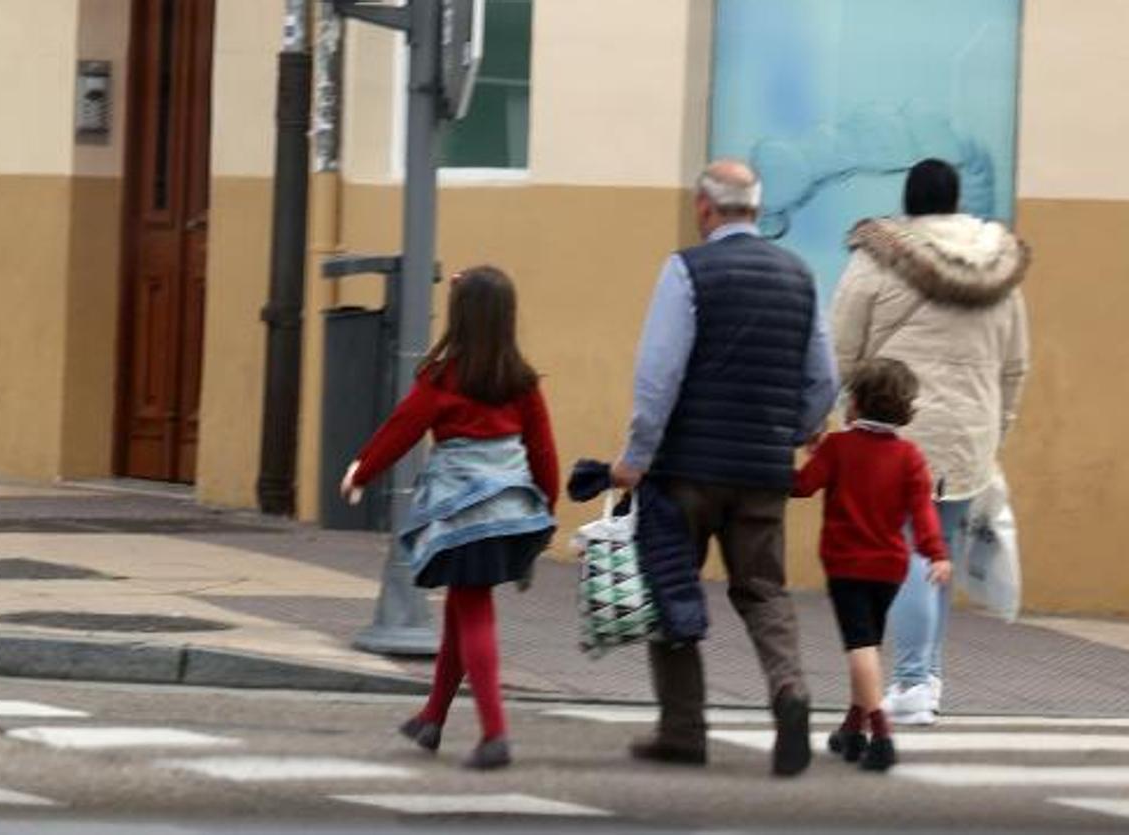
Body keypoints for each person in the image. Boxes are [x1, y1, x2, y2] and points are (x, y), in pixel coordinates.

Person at [612, 159, 838, 776]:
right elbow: (825, 379)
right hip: (763, 471)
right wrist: (788, 433)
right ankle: (789, 691)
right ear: (757, 211)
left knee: (671, 587)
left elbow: (659, 373)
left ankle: (683, 730)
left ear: (705, 209)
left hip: (687, 469)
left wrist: (637, 456)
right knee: (763, 590)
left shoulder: (687, 269)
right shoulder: (800, 275)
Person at [832, 159, 1030, 724]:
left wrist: (838, 412)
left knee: (913, 555)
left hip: (897, 430)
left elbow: (843, 348)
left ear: (910, 202)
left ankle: (914, 680)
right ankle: (929, 677)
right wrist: (997, 429)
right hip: (970, 433)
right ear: (957, 201)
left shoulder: (876, 260)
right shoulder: (999, 268)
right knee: (936, 549)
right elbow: (1015, 366)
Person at [340, 265, 559, 770]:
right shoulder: (522, 382)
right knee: (462, 614)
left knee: (473, 611)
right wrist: (546, 506)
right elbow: (543, 450)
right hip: (510, 514)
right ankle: (432, 719)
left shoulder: (441, 379)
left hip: (462, 520)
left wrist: (361, 472)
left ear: (459, 319)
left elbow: (402, 429)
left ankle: (495, 734)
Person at [793, 358, 950, 772]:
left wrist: (801, 457)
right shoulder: (910, 456)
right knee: (869, 646)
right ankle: (851, 728)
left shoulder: (839, 447)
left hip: (847, 564)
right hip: (891, 568)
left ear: (856, 403)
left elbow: (802, 487)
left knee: (859, 648)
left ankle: (880, 734)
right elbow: (922, 513)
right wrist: (937, 553)